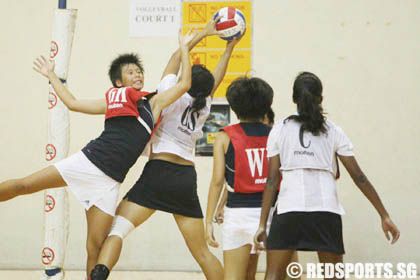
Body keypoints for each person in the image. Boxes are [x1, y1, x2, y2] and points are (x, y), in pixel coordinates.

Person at [0, 29, 194, 278]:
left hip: (108, 182)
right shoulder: (111, 100)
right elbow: (73, 103)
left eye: (139, 70)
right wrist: (51, 75)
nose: (137, 74)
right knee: (23, 185)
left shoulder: (153, 104)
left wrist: (186, 47)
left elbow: (185, 82)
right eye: (130, 71)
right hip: (86, 162)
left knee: (95, 247)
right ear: (118, 83)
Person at [89, 20, 239, 280]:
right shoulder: (204, 105)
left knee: (117, 231)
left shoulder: (170, 91)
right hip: (184, 178)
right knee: (202, 253)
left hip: (157, 172)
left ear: (187, 78)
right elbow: (217, 79)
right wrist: (229, 49)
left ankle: (101, 272)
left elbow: (174, 59)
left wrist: (191, 41)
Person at [254, 72, 400, 280]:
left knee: (273, 276)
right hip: (325, 211)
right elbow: (359, 177)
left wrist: (262, 224)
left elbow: (271, 180)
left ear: (294, 99)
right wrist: (383, 214)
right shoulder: (333, 131)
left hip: (289, 210)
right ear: (320, 99)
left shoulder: (280, 129)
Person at [206, 76, 276, 280]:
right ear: (266, 105)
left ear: (234, 106)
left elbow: (218, 181)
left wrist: (208, 221)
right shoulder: (276, 135)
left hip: (237, 214)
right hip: (271, 213)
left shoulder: (224, 136)